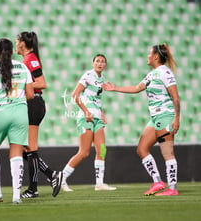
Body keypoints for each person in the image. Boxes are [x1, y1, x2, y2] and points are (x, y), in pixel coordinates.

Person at [103, 43, 180, 196]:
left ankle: (172, 189)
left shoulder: (165, 72)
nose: (147, 56)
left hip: (165, 116)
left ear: (156, 57)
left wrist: (177, 118)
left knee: (167, 153)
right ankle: (158, 181)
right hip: (155, 118)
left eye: (149, 53)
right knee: (141, 149)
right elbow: (137, 88)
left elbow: (175, 96)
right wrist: (115, 88)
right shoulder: (152, 74)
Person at [0, 38, 35, 205]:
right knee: (16, 153)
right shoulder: (23, 67)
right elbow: (31, 95)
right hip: (20, 113)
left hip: (0, 112)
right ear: (12, 51)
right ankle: (17, 196)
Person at [15, 31, 62, 198]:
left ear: (22, 43)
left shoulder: (31, 59)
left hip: (34, 103)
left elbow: (42, 83)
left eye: (16, 41)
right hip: (30, 103)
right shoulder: (27, 60)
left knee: (30, 148)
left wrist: (21, 86)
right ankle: (51, 175)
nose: (15, 44)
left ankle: (33, 189)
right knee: (23, 148)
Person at [61, 54, 116, 192]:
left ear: (105, 65)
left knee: (102, 150)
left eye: (103, 61)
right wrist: (86, 111)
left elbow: (96, 99)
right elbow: (75, 95)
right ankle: (61, 178)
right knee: (84, 152)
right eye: (97, 61)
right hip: (86, 118)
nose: (100, 63)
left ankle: (99, 184)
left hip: (97, 118)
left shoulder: (102, 79)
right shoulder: (88, 75)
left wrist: (101, 113)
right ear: (93, 64)